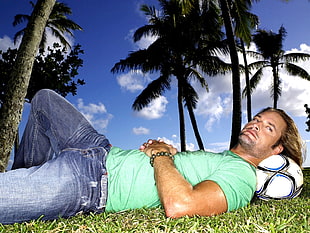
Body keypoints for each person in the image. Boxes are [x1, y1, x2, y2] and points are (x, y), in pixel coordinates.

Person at [0, 89, 303, 224]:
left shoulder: (243, 177)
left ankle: (30, 186)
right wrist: (172, 153)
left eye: (268, 127)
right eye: (258, 118)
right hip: (99, 149)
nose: (255, 124)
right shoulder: (223, 157)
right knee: (43, 101)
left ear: (277, 149)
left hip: (91, 184)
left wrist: (159, 155)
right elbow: (181, 172)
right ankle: (28, 173)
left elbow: (181, 205)